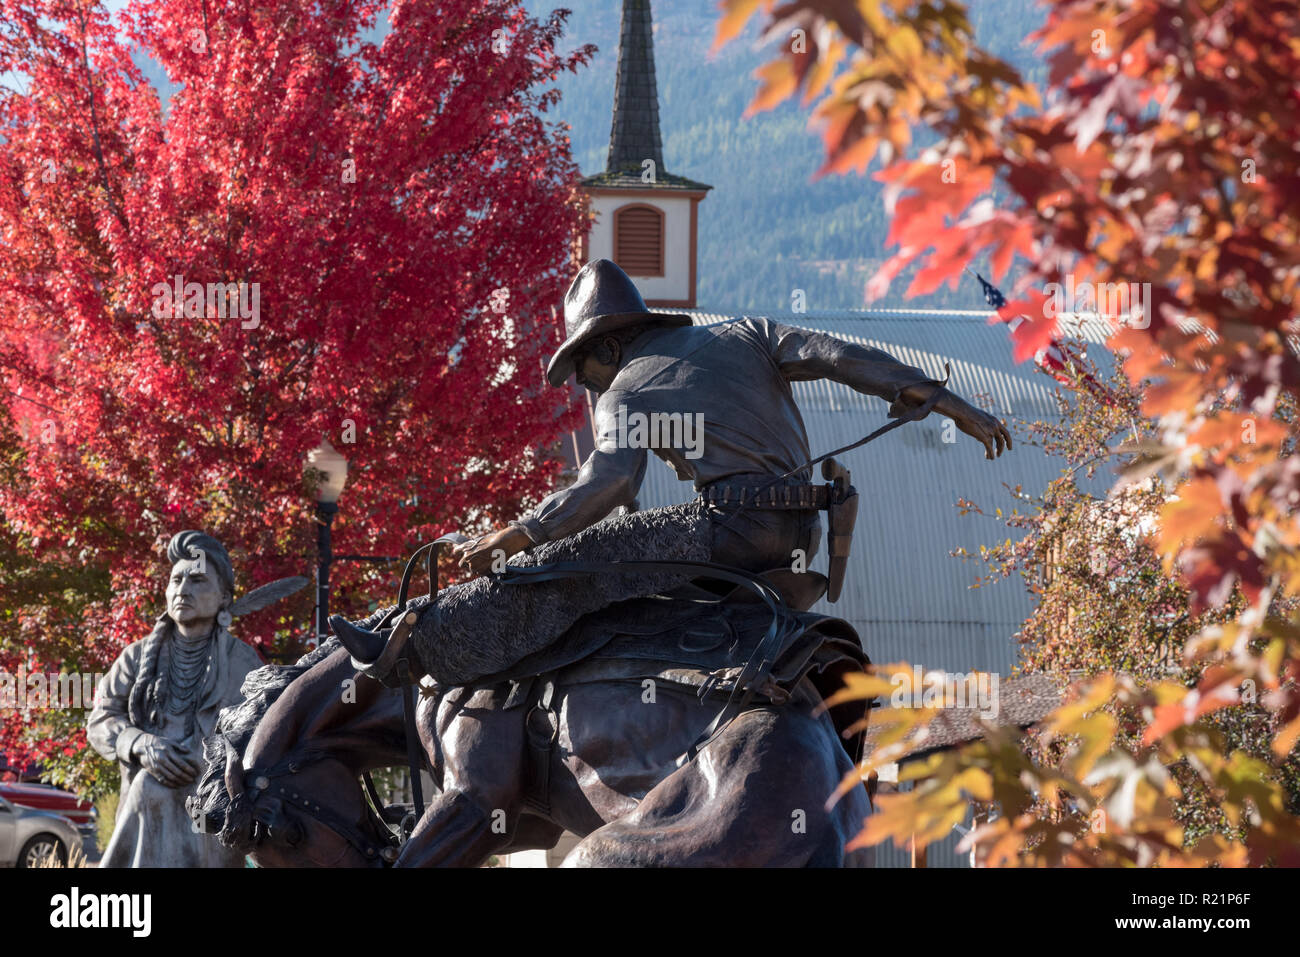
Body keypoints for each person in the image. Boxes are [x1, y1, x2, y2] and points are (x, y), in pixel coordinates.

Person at [339, 259, 1011, 686]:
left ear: (606, 345)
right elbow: (840, 354)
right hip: (800, 536)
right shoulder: (745, 331)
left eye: (583, 373)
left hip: (727, 532)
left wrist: (515, 536)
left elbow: (610, 485)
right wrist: (946, 400)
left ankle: (415, 639)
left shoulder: (627, 387)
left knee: (567, 565)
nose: (587, 391)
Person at [88, 531, 263, 867]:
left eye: (197, 580)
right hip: (147, 798)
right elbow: (101, 718)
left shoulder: (245, 664)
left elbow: (264, 737)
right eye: (176, 580)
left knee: (192, 797)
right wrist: (139, 743)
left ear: (224, 598)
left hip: (211, 802)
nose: (183, 590)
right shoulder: (136, 657)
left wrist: (215, 764)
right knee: (149, 786)